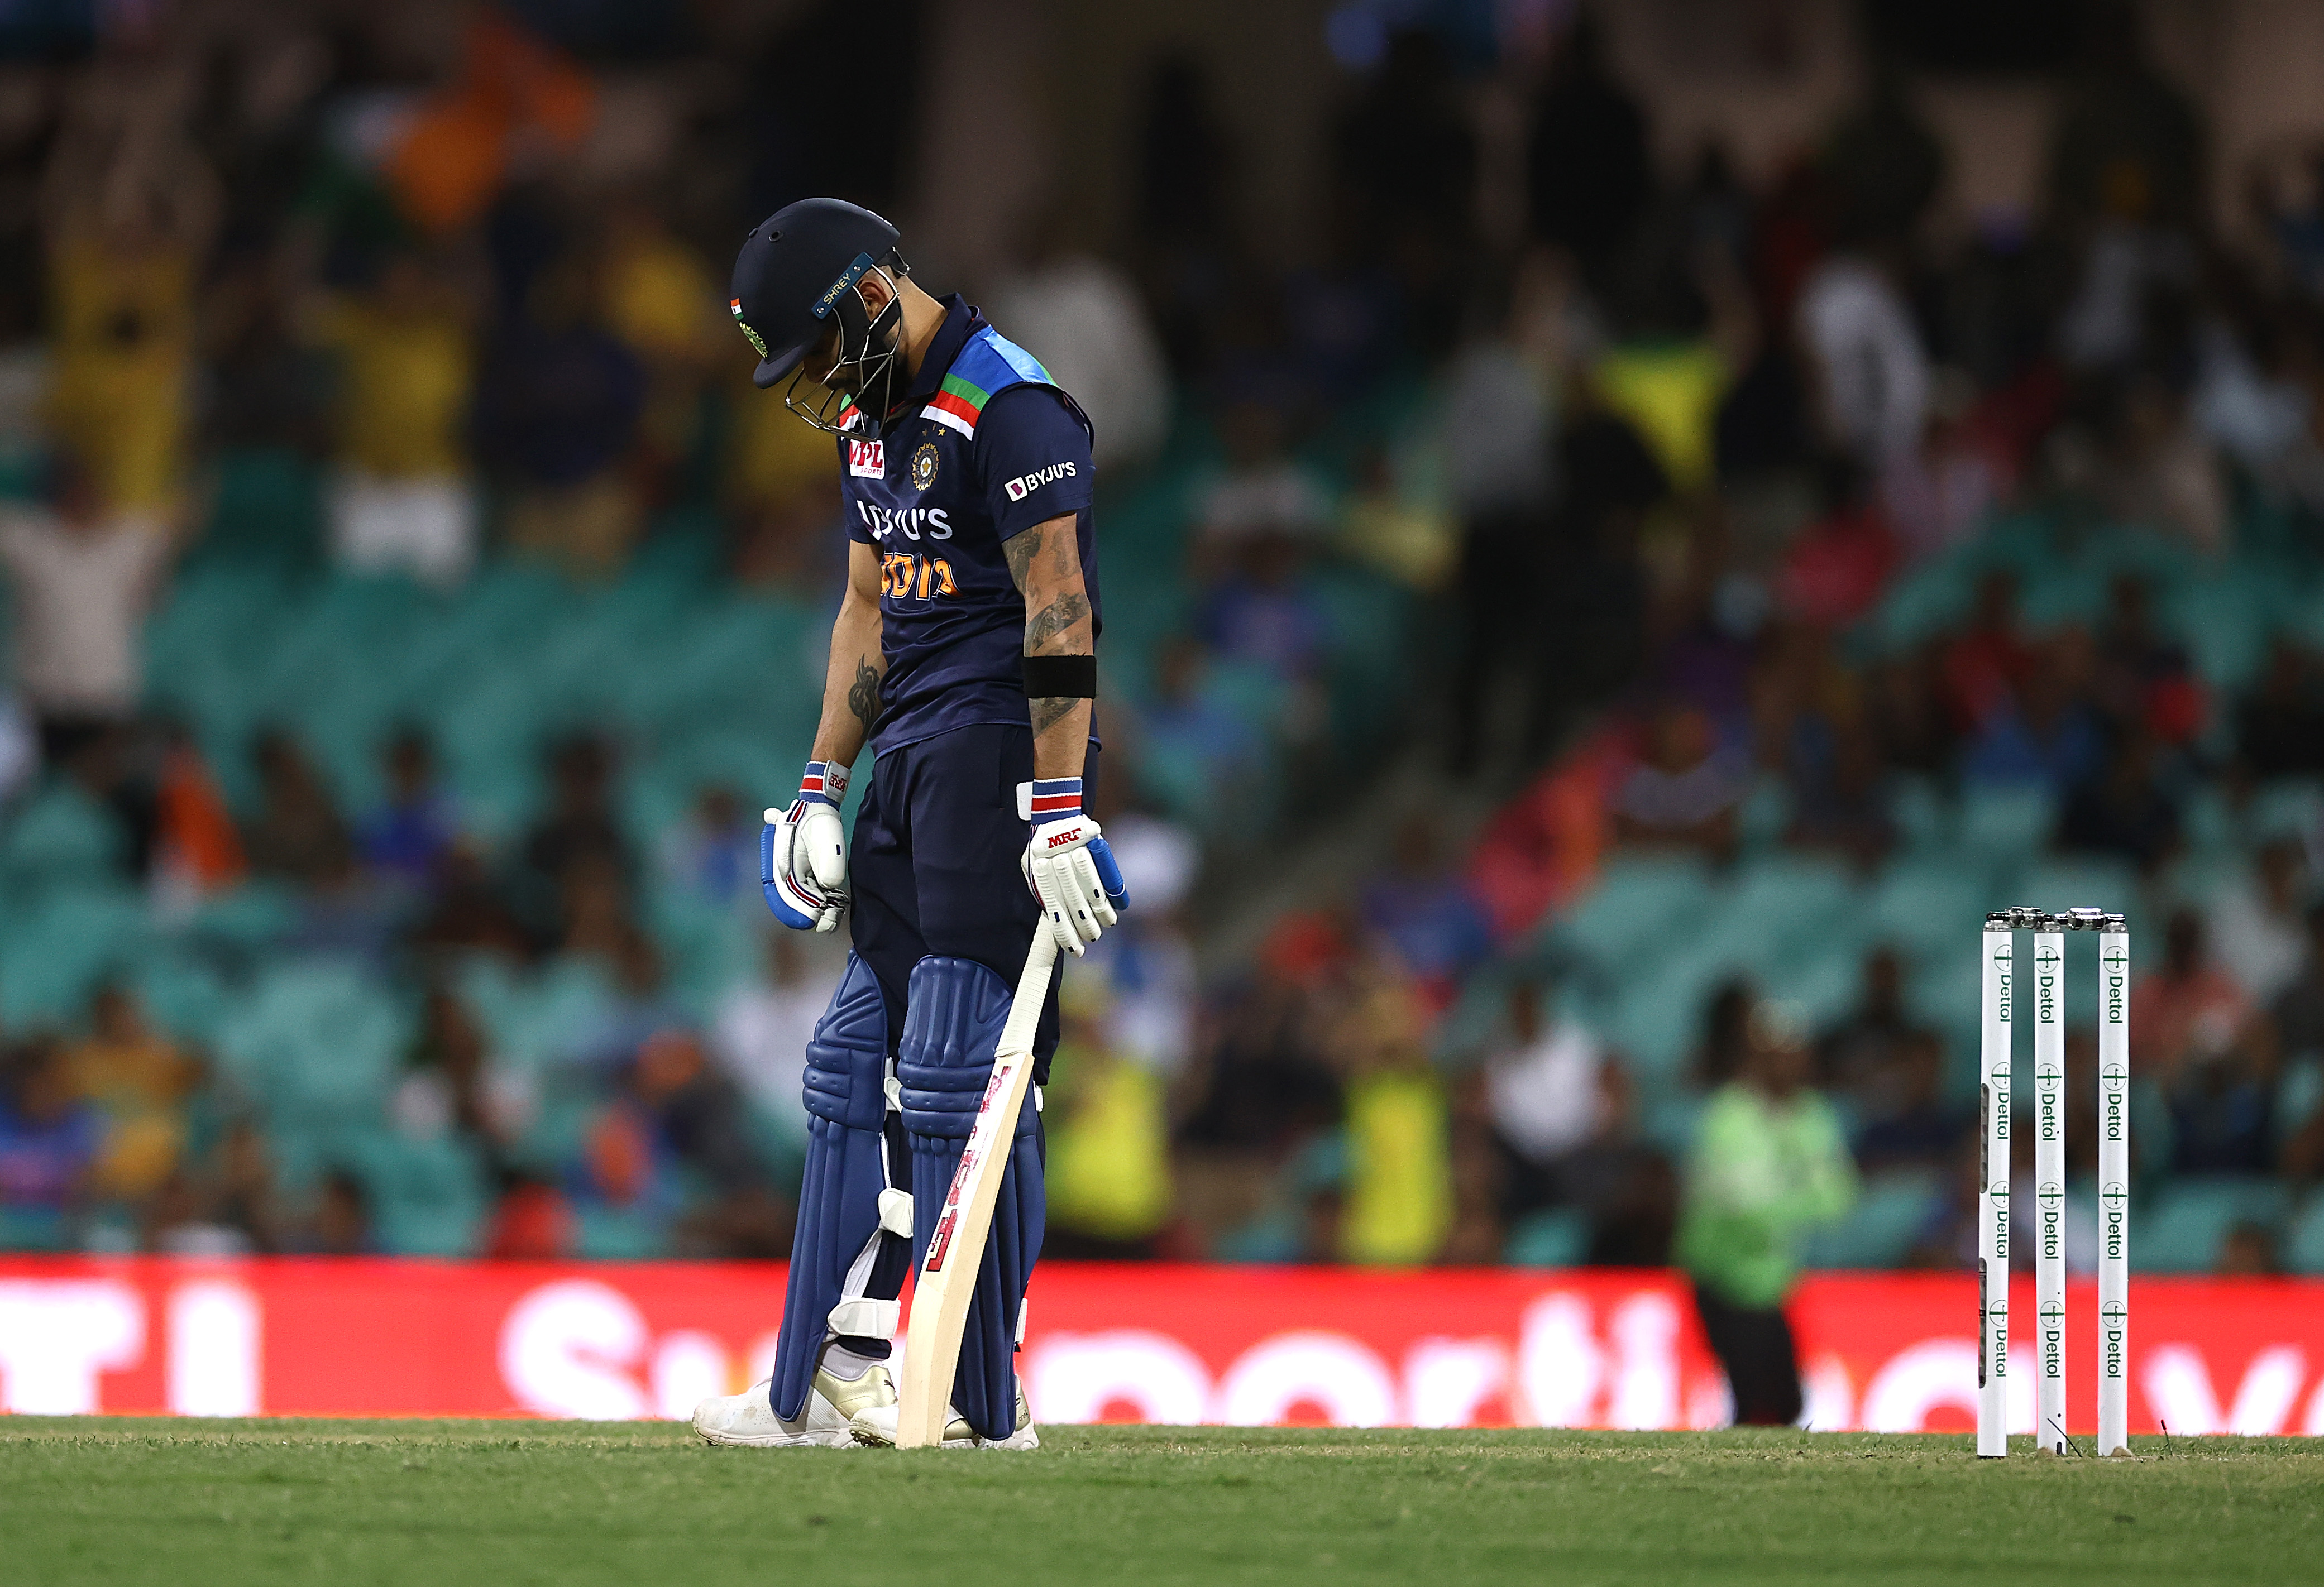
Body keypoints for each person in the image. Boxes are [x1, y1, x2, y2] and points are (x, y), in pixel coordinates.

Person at [691, 199, 1123, 1453]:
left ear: (873, 298)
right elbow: (865, 607)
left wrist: (1057, 809)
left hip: (997, 756)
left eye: (822, 349)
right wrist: (819, 784)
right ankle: (809, 1386)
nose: (820, 383)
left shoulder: (1010, 405)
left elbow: (1059, 607)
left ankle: (979, 1404)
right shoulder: (871, 421)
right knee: (845, 1067)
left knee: (952, 1069)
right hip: (907, 760)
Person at [1675, 1006, 1858, 1426]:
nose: (1791, 1064)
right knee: (1756, 1397)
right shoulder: (1730, 1117)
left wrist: (1784, 1199)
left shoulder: (1812, 1115)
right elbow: (1743, 1207)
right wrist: (1799, 1195)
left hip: (1770, 1282)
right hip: (1722, 1277)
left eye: (1797, 1053)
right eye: (1780, 1054)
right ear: (1758, 1057)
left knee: (1785, 1401)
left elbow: (1838, 1196)